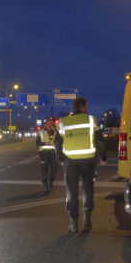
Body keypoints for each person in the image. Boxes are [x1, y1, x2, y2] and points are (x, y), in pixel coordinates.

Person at [55, 97, 107, 233]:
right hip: (88, 161)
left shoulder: (64, 122)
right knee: (87, 190)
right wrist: (103, 157)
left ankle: (73, 223)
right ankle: (87, 220)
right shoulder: (91, 120)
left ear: (74, 107)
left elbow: (57, 142)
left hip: (70, 161)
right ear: (84, 106)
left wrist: (61, 158)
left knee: (71, 192)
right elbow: (100, 141)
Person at [36, 118, 58, 192]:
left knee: (54, 170)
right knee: (44, 170)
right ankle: (45, 184)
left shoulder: (54, 132)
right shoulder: (41, 132)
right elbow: (37, 143)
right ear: (45, 125)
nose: (49, 125)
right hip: (44, 154)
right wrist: (44, 143)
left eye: (51, 124)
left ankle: (51, 182)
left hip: (52, 153)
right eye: (48, 124)